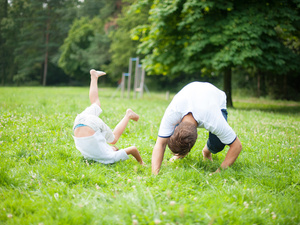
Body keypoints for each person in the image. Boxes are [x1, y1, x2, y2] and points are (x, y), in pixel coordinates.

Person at [152, 81, 242, 175]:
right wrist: (155, 173)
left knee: (218, 144)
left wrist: (218, 172)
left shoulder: (213, 119)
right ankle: (181, 154)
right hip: (192, 91)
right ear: (175, 128)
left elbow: (237, 146)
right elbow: (160, 144)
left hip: (215, 96)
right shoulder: (172, 113)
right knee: (180, 141)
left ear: (197, 137)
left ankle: (206, 151)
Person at [73, 69, 144, 165]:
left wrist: (141, 162)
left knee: (113, 140)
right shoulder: (100, 156)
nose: (115, 148)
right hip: (78, 123)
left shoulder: (109, 156)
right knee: (96, 104)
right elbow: (132, 149)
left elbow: (133, 149)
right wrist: (142, 163)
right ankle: (94, 77)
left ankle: (128, 115)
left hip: (90, 124)